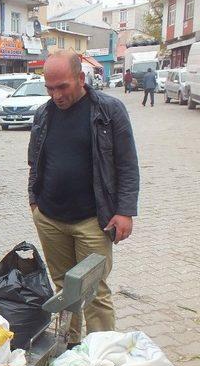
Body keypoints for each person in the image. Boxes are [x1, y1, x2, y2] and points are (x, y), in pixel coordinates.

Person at [28, 50, 139, 347]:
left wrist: (125, 211)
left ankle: (104, 355)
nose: (56, 95)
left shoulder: (108, 110)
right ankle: (70, 346)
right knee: (63, 287)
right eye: (49, 88)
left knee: (94, 291)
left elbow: (127, 164)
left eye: (62, 87)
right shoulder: (43, 113)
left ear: (81, 78)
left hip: (93, 220)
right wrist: (34, 200)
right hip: (50, 217)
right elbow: (35, 160)